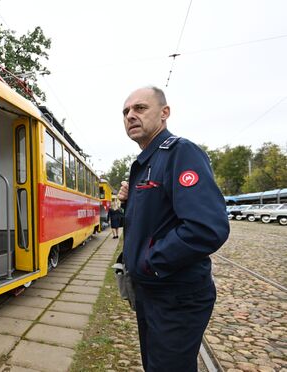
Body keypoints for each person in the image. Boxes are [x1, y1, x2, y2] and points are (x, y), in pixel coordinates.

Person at [117, 86, 229, 372]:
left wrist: (149, 263)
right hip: (153, 291)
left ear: (164, 113)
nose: (130, 116)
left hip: (175, 295)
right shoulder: (146, 162)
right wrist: (127, 205)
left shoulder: (180, 152)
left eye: (140, 108)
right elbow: (155, 220)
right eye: (126, 112)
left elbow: (206, 227)